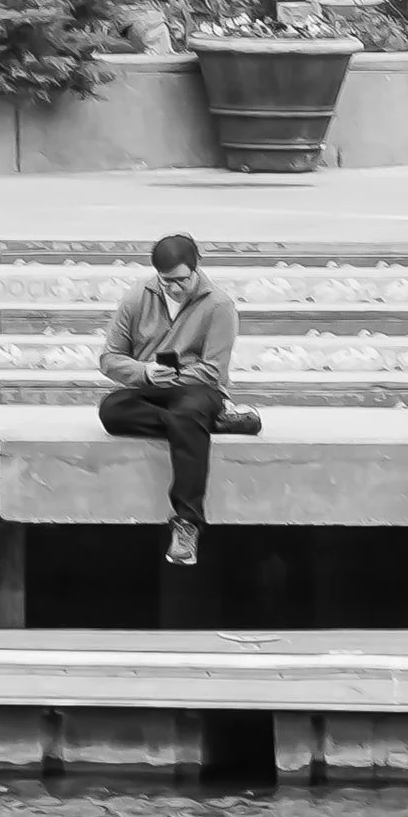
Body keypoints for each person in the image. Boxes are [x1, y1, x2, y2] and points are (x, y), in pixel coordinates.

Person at [98, 232, 259, 567]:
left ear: (195, 270)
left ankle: (187, 521)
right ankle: (208, 424)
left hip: (198, 390)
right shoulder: (136, 298)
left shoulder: (218, 305)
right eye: (166, 281)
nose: (173, 288)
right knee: (111, 411)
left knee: (188, 412)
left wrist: (172, 376)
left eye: (181, 281)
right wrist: (144, 373)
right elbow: (110, 358)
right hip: (149, 386)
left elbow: (213, 370)